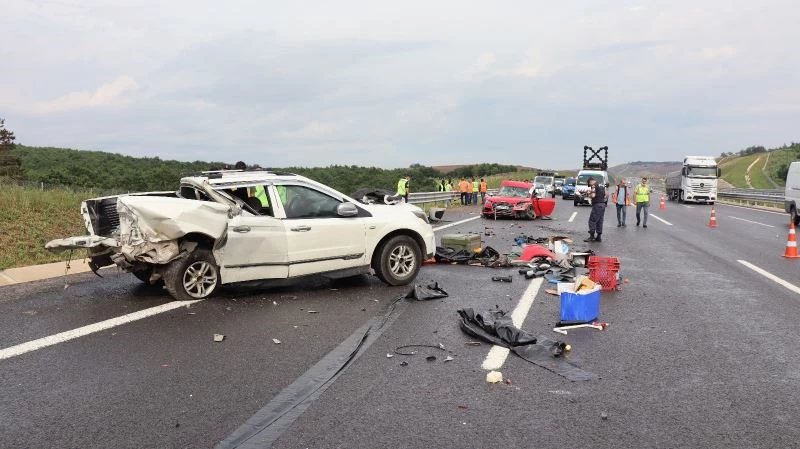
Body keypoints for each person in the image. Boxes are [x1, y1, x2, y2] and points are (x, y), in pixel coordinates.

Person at [584, 176, 607, 242]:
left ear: (591, 181)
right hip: (602, 205)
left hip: (597, 205)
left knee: (592, 220)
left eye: (589, 184)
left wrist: (589, 194)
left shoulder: (594, 186)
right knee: (600, 221)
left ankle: (592, 236)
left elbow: (593, 195)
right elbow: (605, 195)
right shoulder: (602, 185)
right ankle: (599, 237)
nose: (590, 185)